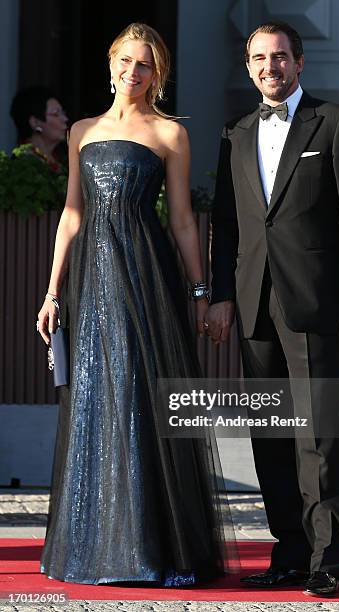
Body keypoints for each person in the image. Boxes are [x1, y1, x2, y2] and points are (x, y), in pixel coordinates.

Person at [37, 23, 231, 586]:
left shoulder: (170, 134)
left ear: (158, 73)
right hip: (89, 284)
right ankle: (94, 547)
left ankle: (152, 548)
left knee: (140, 398)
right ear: (111, 63)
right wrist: (52, 292)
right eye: (125, 61)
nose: (132, 72)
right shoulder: (80, 131)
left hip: (145, 277)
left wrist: (201, 292)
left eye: (144, 64)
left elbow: (182, 221)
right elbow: (71, 216)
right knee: (95, 396)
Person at [206, 20, 339, 597]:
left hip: (313, 300)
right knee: (270, 434)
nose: (269, 68)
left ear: (299, 63)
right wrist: (220, 294)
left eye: (279, 57)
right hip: (252, 300)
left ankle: (330, 555)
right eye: (258, 58)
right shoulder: (233, 130)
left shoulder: (334, 122)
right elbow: (226, 224)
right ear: (247, 66)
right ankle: (291, 551)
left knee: (317, 433)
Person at [10, 86, 68, 172]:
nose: (65, 119)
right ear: (35, 122)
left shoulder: (59, 158)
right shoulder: (24, 164)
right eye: (56, 114)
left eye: (62, 113)